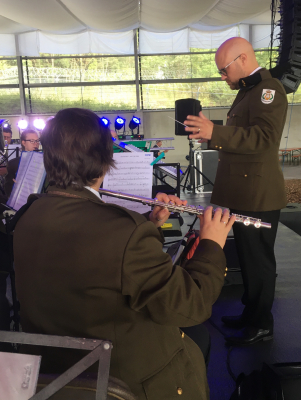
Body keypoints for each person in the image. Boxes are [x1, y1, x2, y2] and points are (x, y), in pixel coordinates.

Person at [13, 108, 235, 400]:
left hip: (56, 368)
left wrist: (149, 222)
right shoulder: (123, 231)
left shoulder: (27, 215)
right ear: (107, 160)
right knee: (197, 338)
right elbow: (190, 306)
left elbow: (93, 251)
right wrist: (212, 244)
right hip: (119, 378)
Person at [184, 37, 288, 346]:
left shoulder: (269, 92)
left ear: (242, 59)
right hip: (244, 191)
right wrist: (212, 133)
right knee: (247, 255)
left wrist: (215, 132)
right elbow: (243, 135)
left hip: (258, 193)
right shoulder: (249, 91)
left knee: (258, 261)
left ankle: (261, 323)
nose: (222, 76)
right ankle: (250, 312)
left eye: (223, 69)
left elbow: (263, 138)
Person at [4, 129, 39, 198]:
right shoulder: (13, 164)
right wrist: (16, 188)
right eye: (32, 141)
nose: (36, 144)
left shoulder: (44, 162)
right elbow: (8, 189)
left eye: (37, 141)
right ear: (24, 143)